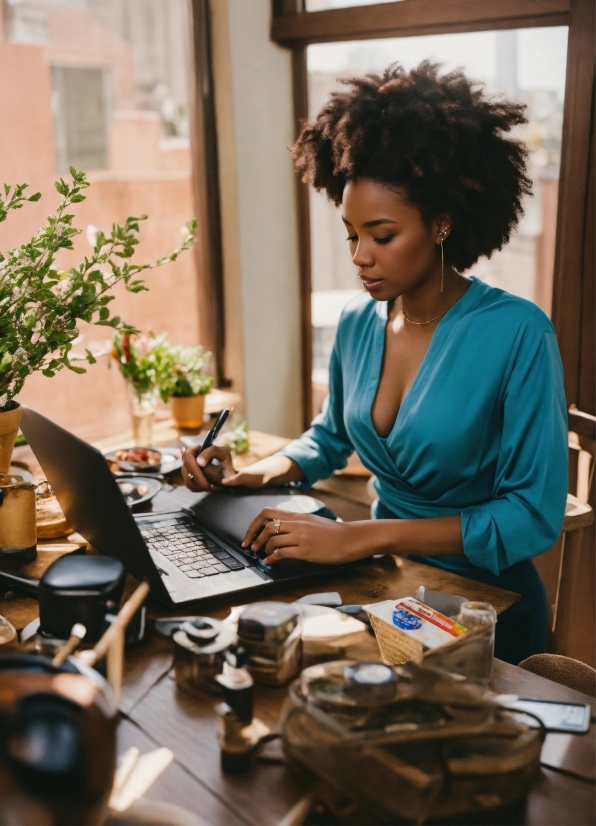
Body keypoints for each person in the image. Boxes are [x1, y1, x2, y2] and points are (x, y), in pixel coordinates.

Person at [182, 61, 568, 664]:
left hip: (484, 609)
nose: (360, 256)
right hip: (387, 585)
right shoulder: (361, 321)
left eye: (381, 236)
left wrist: (356, 537)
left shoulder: (517, 333)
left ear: (441, 224)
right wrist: (250, 475)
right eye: (350, 234)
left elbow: (529, 515)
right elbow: (330, 437)